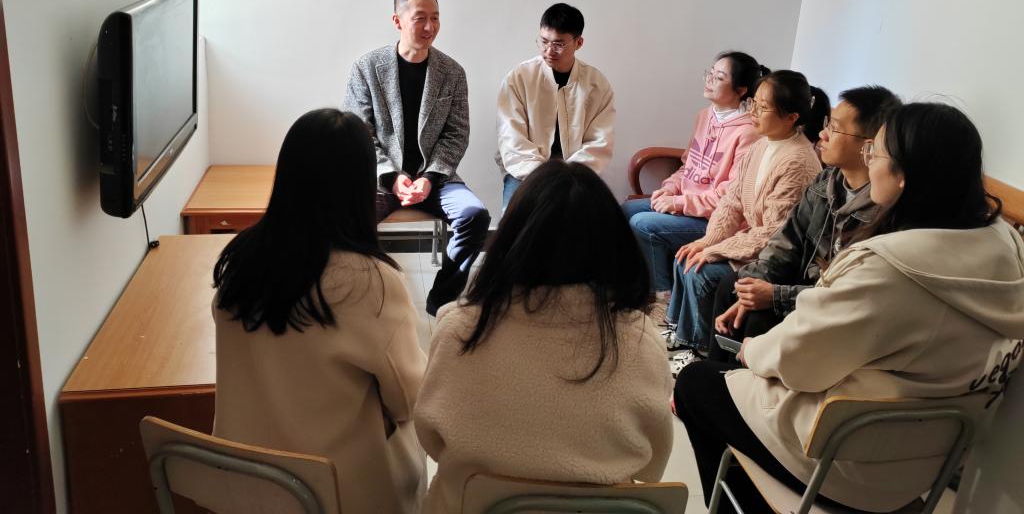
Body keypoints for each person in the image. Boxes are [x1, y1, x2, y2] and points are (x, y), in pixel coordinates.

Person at [674, 102, 1024, 513]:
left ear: (905, 175)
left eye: (876, 151)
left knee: (696, 383)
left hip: (849, 461)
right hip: (931, 462)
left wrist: (753, 353)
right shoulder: (1006, 247)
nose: (869, 160)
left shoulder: (889, 268)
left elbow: (799, 360)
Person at [414, 161, 674, 514]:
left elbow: (431, 437)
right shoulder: (640, 339)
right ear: (615, 246)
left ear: (511, 239)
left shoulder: (461, 329)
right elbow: (652, 462)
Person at [211, 109, 427, 514]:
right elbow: (409, 400)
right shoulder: (372, 282)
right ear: (360, 188)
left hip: (248, 490)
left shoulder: (239, 261)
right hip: (337, 495)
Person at [708, 85, 902, 361]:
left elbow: (844, 296)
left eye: (834, 129)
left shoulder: (882, 210)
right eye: (827, 124)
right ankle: (717, 372)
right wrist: (756, 284)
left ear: (869, 146)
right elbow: (787, 240)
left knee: (760, 317)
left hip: (826, 307)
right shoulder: (827, 181)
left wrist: (775, 295)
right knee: (736, 285)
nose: (822, 134)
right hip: (800, 286)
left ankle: (739, 382)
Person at [345, 0, 491, 315]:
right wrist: (391, 176)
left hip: (435, 179)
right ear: (397, 20)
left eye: (435, 18)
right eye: (420, 18)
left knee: (475, 215)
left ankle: (442, 298)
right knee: (347, 217)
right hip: (381, 179)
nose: (430, 27)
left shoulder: (452, 73)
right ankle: (364, 300)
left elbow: (456, 134)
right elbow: (360, 134)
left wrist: (429, 178)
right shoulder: (366, 68)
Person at [667, 70, 827, 373]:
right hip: (751, 242)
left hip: (771, 257)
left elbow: (775, 234)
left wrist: (716, 250)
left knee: (702, 272)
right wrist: (707, 241)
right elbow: (732, 201)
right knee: (687, 255)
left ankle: (699, 347)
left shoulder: (798, 161)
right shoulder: (761, 145)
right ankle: (681, 332)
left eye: (762, 107)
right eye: (753, 103)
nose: (752, 111)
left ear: (791, 117)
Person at [622, 51, 764, 302]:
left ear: (741, 90)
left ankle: (662, 294)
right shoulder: (704, 116)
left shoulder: (749, 133)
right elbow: (687, 166)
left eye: (719, 77)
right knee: (627, 209)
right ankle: (639, 280)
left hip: (716, 220)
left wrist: (678, 203)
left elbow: (730, 198)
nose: (709, 80)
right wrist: (670, 189)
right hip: (689, 205)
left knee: (643, 223)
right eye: (710, 73)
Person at [496, 3, 615, 210]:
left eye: (559, 44)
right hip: (526, 174)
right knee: (516, 220)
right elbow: (511, 138)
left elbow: (599, 143)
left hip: (577, 175)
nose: (549, 51)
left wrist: (568, 176)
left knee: (595, 218)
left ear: (578, 43)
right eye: (543, 42)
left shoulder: (596, 85)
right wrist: (544, 177)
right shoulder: (519, 78)